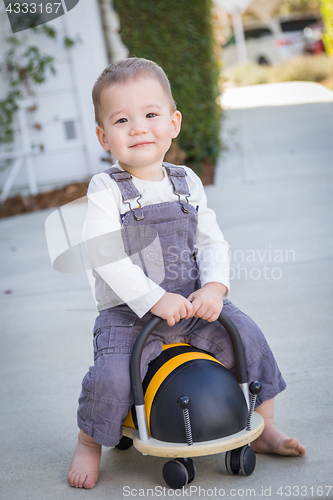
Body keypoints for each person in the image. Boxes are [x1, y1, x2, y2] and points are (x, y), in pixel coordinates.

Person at [67, 57, 306, 489]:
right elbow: (104, 255)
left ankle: (264, 422)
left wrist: (214, 287)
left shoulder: (186, 182)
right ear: (104, 137)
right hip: (129, 314)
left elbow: (211, 241)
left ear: (173, 123)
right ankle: (89, 440)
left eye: (151, 115)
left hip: (193, 302)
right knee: (112, 375)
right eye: (122, 119)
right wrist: (154, 300)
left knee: (247, 336)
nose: (139, 128)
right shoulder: (106, 190)